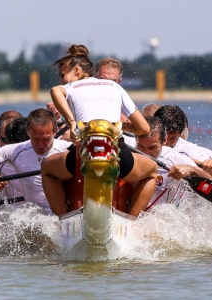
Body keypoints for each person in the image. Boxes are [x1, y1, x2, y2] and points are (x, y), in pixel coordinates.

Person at [41, 44, 158, 217]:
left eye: (62, 75)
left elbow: (54, 91)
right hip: (116, 152)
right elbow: (144, 128)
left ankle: (62, 220)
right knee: (152, 170)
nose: (62, 81)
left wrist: (72, 122)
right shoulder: (116, 87)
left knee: (46, 168)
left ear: (77, 70)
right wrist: (115, 124)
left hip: (82, 153)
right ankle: (133, 222)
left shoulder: (71, 87)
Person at [0, 108, 71, 214]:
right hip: (37, 219)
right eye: (35, 139)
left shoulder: (66, 148)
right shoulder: (15, 150)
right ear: (28, 132)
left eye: (46, 139)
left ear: (55, 131)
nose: (41, 145)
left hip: (64, 213)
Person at [136, 117, 212, 209]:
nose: (146, 154)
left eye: (152, 148)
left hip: (159, 217)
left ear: (164, 141)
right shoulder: (131, 146)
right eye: (141, 146)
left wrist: (191, 170)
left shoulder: (174, 157)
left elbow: (211, 183)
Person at [154, 105, 212, 175]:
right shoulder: (144, 142)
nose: (166, 143)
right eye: (163, 137)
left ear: (181, 134)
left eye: (172, 139)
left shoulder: (187, 149)